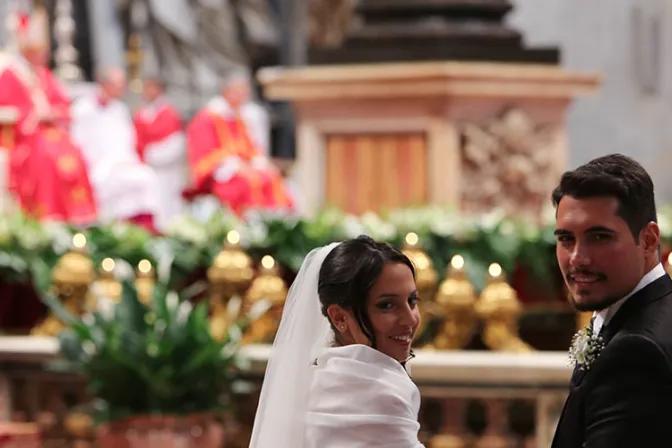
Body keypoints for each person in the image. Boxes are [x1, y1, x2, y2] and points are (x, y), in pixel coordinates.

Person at [250, 235, 424, 447]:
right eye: (387, 305)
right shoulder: (383, 393)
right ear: (340, 317)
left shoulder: (311, 379)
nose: (410, 319)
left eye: (412, 301)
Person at [551, 154, 672, 447]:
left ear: (649, 239)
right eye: (566, 239)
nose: (578, 258)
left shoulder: (636, 352)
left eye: (599, 237)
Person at [0, 7, 97, 224]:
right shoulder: (10, 74)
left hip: (50, 132)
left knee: (74, 153)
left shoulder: (43, 74)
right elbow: (8, 109)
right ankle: (48, 215)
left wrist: (54, 113)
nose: (43, 55)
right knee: (46, 158)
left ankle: (77, 216)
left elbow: (61, 102)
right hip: (25, 138)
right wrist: (35, 116)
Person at [186, 72, 294, 215]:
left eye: (245, 93)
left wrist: (258, 162)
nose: (243, 97)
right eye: (239, 92)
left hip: (244, 168)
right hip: (220, 175)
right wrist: (236, 166)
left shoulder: (236, 117)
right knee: (246, 184)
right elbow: (206, 156)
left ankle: (273, 226)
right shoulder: (206, 119)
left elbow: (250, 148)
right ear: (227, 92)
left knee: (271, 177)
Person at [71, 67, 161, 232]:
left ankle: (142, 232)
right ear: (105, 84)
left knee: (147, 178)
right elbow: (78, 142)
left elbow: (128, 140)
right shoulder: (83, 109)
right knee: (108, 185)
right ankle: (110, 232)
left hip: (123, 161)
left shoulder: (120, 109)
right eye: (118, 84)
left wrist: (128, 161)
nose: (122, 89)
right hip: (98, 166)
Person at [133, 76, 186, 230]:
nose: (148, 91)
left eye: (152, 87)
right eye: (146, 87)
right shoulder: (141, 113)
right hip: (146, 169)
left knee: (168, 207)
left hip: (166, 170)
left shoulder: (169, 113)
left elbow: (176, 143)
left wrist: (153, 155)